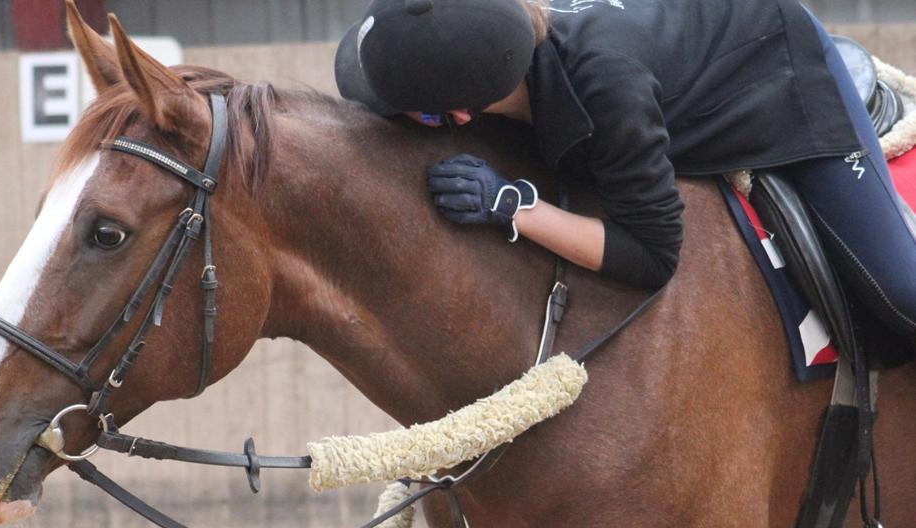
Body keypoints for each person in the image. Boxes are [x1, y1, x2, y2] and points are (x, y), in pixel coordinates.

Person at [334, 0, 916, 338]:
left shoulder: (606, 89)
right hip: (673, 37)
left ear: (456, 112)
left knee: (900, 296)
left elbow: (653, 254)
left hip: (784, 67)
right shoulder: (496, 36)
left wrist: (515, 207)